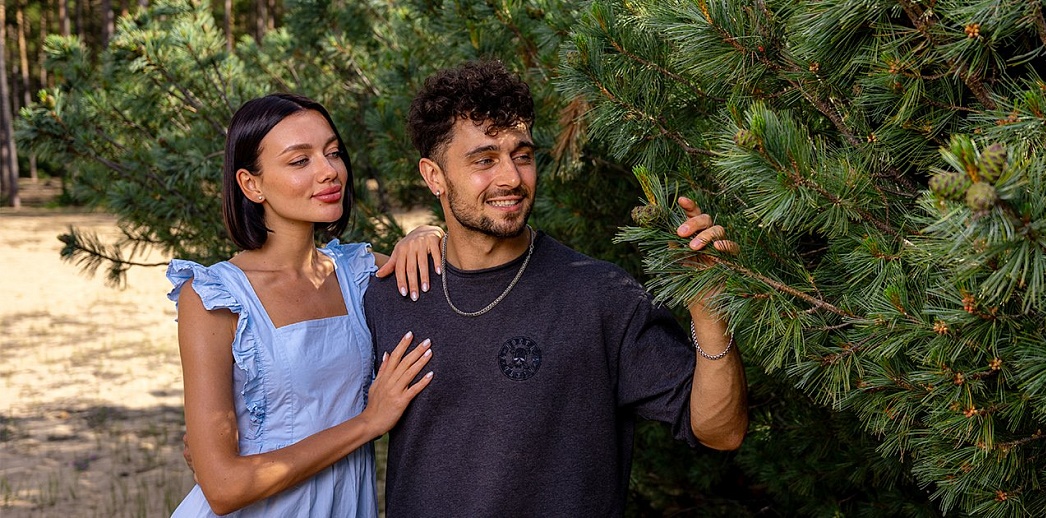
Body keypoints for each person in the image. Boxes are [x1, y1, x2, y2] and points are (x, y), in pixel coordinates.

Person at [364, 60, 749, 516]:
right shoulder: (393, 295)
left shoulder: (600, 295)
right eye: (484, 160)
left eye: (522, 156)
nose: (512, 178)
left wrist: (710, 313)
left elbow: (721, 431)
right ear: (433, 176)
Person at [167, 93, 441, 517]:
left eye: (333, 153)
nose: (329, 171)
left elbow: (449, 295)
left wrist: (428, 233)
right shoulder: (214, 297)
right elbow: (222, 488)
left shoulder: (359, 273)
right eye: (300, 161)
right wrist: (368, 422)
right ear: (251, 185)